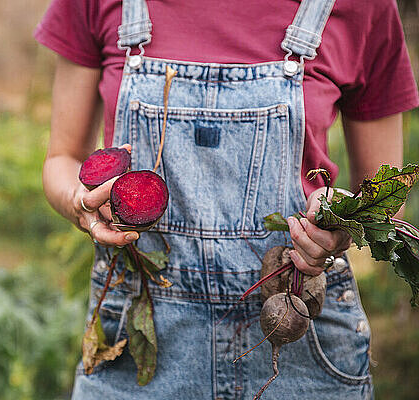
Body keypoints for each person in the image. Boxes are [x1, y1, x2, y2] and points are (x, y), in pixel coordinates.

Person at [35, 0, 418, 398]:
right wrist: (81, 202)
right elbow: (62, 159)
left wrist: (339, 223)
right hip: (140, 331)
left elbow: (386, 201)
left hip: (296, 327)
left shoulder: (362, 6)